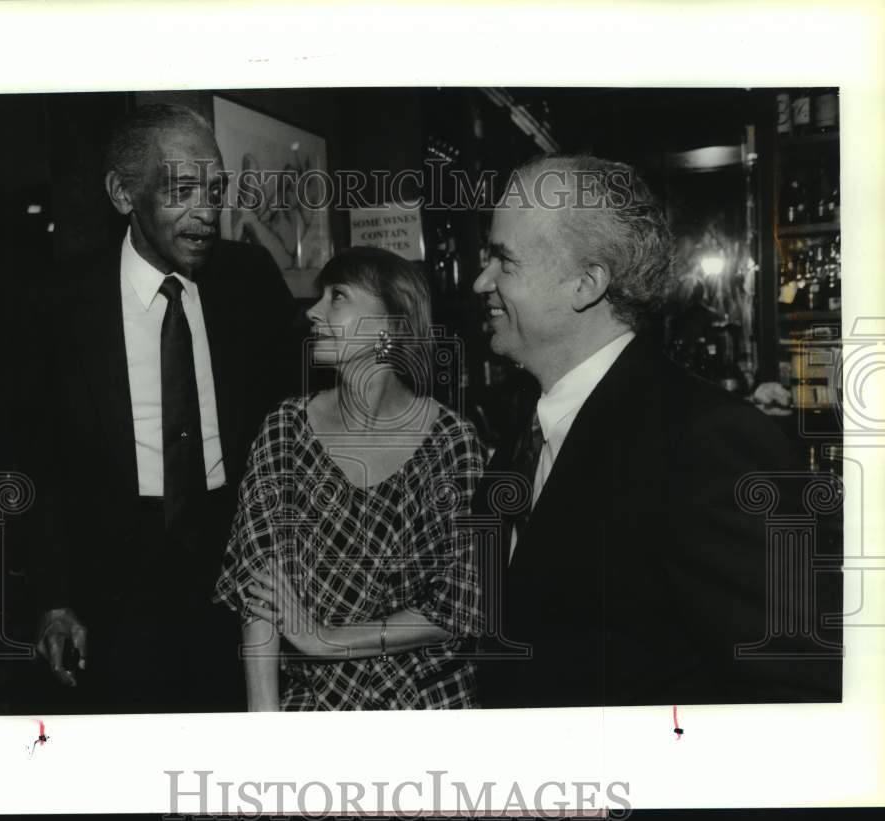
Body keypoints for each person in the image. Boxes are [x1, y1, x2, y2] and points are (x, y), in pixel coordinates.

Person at [470, 155, 841, 708]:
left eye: (504, 260)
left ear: (586, 283)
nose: (482, 282)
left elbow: (799, 689)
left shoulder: (707, 443)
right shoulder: (528, 427)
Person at [27, 104, 301, 712]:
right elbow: (36, 464)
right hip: (114, 589)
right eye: (181, 190)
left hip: (239, 576)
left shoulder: (249, 279)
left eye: (216, 189)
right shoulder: (61, 304)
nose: (206, 211)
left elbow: (297, 422)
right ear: (123, 193)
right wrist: (54, 600)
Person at [214, 246, 486, 710]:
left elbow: (457, 605)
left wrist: (324, 639)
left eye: (337, 296)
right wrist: (264, 728)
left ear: (389, 327)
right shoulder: (285, 431)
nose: (314, 311)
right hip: (317, 705)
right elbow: (258, 591)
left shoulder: (453, 443)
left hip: (429, 706)